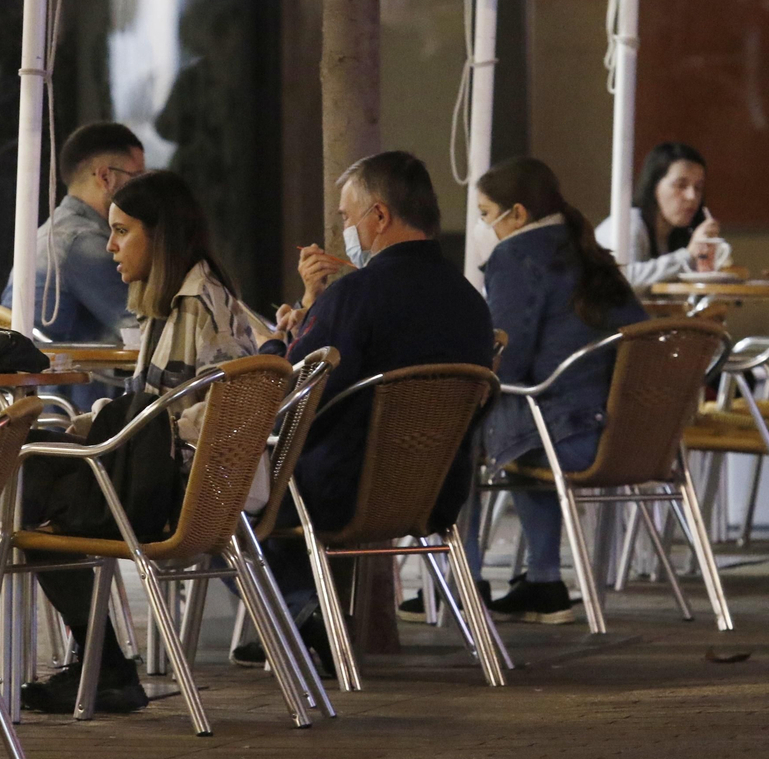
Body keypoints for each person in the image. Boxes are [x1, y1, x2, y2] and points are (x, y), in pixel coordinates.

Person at [17, 170, 257, 715]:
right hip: (205, 487)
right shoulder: (197, 292)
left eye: (122, 231)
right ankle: (102, 667)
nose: (110, 246)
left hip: (175, 493)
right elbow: (156, 415)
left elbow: (163, 426)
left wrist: (84, 432)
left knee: (23, 495)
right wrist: (79, 430)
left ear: (161, 236)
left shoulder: (191, 304)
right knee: (31, 462)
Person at [243, 152, 495, 663]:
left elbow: (294, 394)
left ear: (378, 217)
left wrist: (274, 346)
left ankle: (300, 614)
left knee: (232, 491)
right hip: (437, 491)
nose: (345, 230)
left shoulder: (356, 295)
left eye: (346, 217)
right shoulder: (471, 301)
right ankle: (302, 619)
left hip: (340, 491)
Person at [467, 157, 646, 624]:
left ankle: (463, 581)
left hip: (569, 434)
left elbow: (510, 358)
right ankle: (543, 581)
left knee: (454, 435)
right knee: (520, 431)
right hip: (628, 437)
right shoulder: (590, 252)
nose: (485, 226)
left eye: (486, 214)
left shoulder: (517, 256)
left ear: (518, 214)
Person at [0, 121, 144, 345]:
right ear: (105, 177)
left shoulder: (57, 231)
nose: (144, 191)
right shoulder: (82, 242)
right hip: (74, 378)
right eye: (137, 178)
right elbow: (143, 331)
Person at [595, 142, 730, 292]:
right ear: (654, 186)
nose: (692, 197)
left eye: (698, 188)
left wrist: (705, 262)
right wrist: (688, 254)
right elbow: (624, 278)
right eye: (681, 185)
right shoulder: (630, 223)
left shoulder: (674, 233)